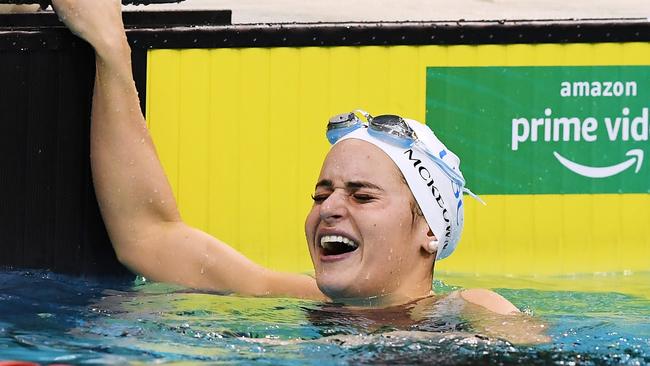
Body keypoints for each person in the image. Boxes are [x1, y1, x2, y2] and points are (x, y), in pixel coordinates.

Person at [50, 0, 547, 342]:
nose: (329, 208)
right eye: (321, 193)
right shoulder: (300, 299)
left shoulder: (470, 310)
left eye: (362, 195)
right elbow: (147, 235)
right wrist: (111, 49)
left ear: (429, 233)